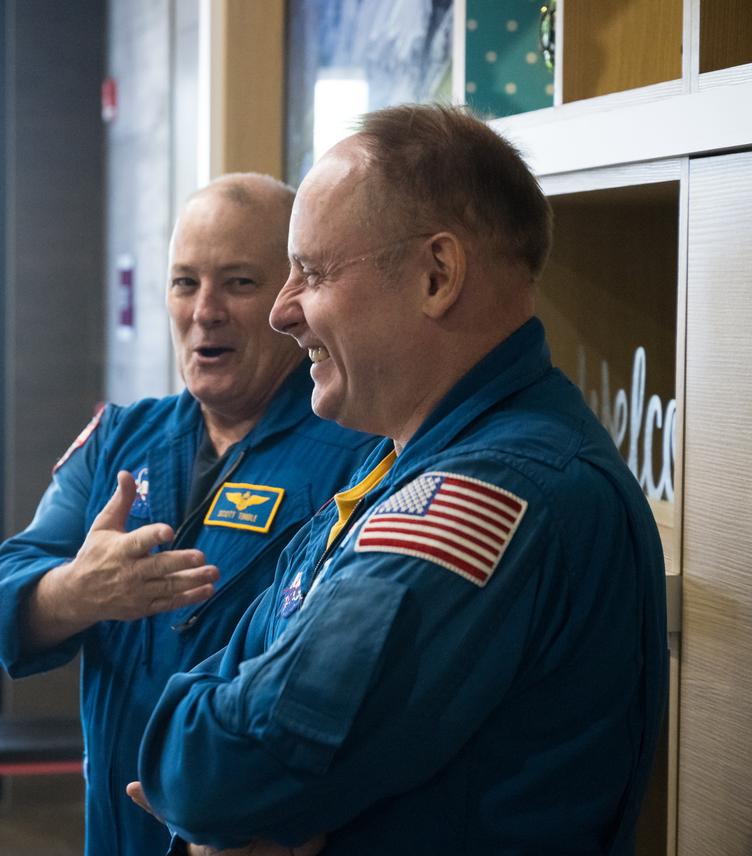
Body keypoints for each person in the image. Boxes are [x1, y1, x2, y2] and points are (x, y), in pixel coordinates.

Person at [132, 105, 668, 855]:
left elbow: (214, 772)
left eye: (312, 273)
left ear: (436, 275)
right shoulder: (394, 467)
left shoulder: (493, 493)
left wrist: (213, 780)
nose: (284, 312)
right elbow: (207, 693)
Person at [0, 173, 377, 856]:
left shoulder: (357, 455)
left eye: (239, 283)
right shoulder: (119, 440)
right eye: (185, 282)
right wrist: (77, 591)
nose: (205, 310)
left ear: (291, 299)